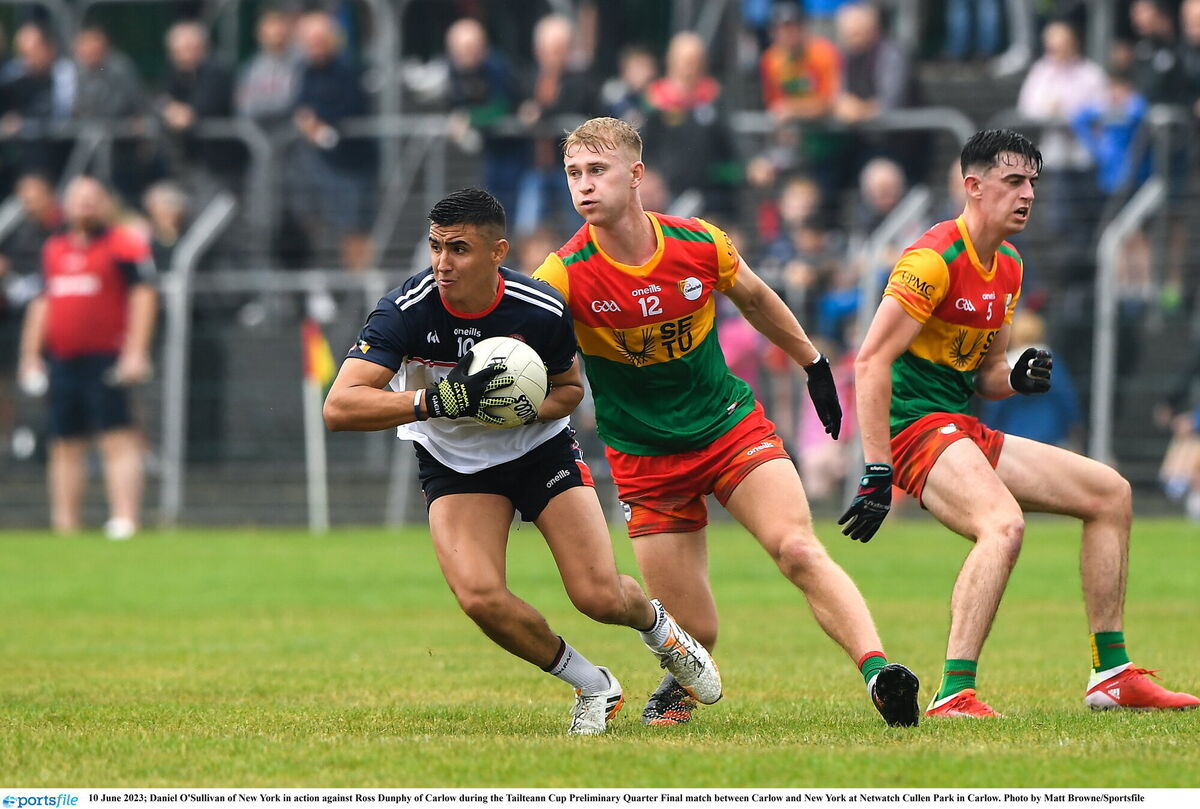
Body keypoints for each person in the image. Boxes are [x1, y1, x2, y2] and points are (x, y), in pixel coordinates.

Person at [533, 117, 920, 728]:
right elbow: (523, 350)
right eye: (574, 174)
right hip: (645, 460)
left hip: (728, 429)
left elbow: (758, 299)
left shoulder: (699, 243)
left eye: (598, 171)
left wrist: (813, 362)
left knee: (796, 547)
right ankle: (679, 685)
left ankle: (880, 673)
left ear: (636, 176)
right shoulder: (562, 275)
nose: (584, 186)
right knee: (697, 634)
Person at [322, 187, 721, 736]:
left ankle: (662, 632)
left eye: (458, 249)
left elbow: (568, 391)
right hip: (455, 466)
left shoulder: (539, 308)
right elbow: (339, 406)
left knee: (599, 595)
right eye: (436, 247)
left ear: (497, 252)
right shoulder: (404, 310)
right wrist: (433, 401)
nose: (442, 263)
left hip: (539, 452)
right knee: (480, 596)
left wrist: (513, 409)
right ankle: (594, 684)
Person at [840, 128, 1199, 717]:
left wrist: (1019, 377)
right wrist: (877, 468)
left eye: (1033, 181)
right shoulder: (931, 261)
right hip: (915, 430)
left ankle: (1111, 673)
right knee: (1003, 525)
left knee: (1111, 493)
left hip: (959, 427)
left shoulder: (1008, 264)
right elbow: (870, 360)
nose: (1028, 193)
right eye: (1013, 181)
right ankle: (954, 692)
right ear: (972, 186)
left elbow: (987, 377)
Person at [17, 176, 157, 540]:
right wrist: (30, 355)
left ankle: (125, 519)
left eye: (93, 199)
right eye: (79, 199)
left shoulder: (122, 245)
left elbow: (144, 296)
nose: (86, 205)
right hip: (63, 360)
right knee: (64, 443)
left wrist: (136, 351)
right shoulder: (54, 249)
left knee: (117, 438)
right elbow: (42, 303)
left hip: (106, 357)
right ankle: (66, 526)